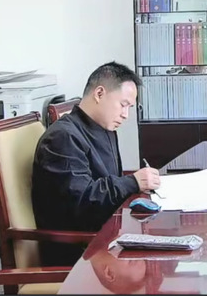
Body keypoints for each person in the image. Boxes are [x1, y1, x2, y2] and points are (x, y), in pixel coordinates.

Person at [32, 61, 161, 266]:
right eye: (123, 104)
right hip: (79, 252)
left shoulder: (102, 129)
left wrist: (135, 183)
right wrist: (132, 182)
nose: (125, 115)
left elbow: (106, 183)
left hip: (103, 235)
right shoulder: (62, 138)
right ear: (99, 94)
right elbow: (83, 203)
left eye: (129, 107)